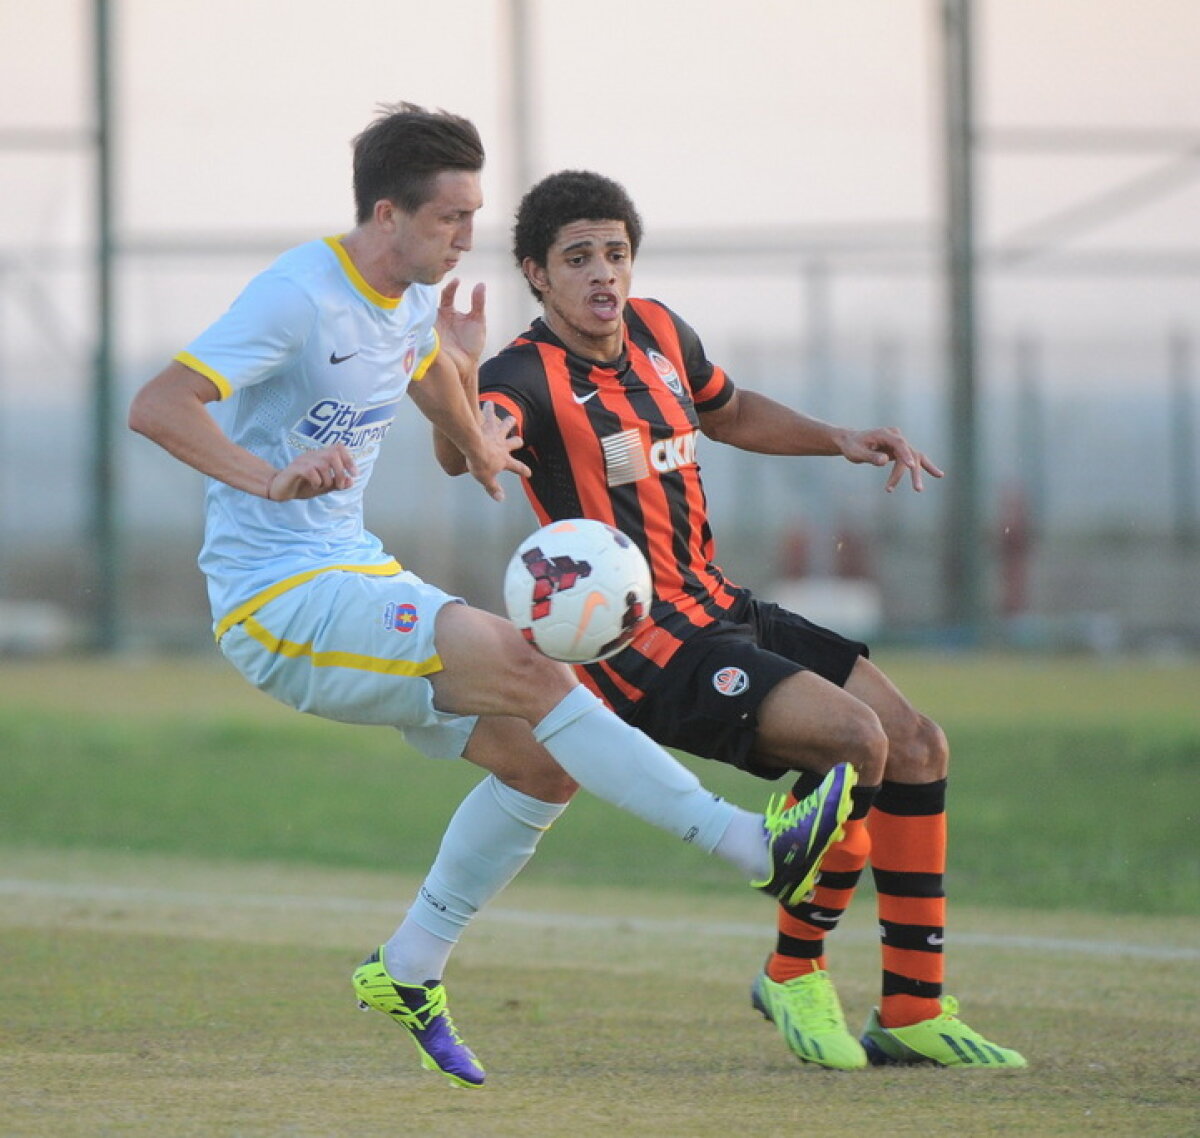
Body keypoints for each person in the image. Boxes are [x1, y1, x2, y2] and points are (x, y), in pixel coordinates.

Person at [127, 106, 856, 1090]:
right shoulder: (298, 296)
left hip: (352, 569)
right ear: (388, 214)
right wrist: (270, 477)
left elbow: (421, 368)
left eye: (474, 214)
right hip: (278, 601)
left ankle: (409, 965)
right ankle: (749, 846)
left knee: (539, 764)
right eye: (451, 218)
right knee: (534, 666)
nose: (469, 236)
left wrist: (473, 428)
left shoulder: (407, 297)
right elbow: (159, 403)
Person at [442, 169, 1026, 1071]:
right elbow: (468, 447)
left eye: (616, 254)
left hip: (720, 604)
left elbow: (731, 410)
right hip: (643, 647)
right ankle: (793, 972)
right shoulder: (521, 373)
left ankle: (912, 1009)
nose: (604, 275)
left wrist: (838, 435)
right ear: (537, 274)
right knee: (854, 742)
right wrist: (460, 388)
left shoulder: (662, 333)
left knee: (917, 744)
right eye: (579, 258)